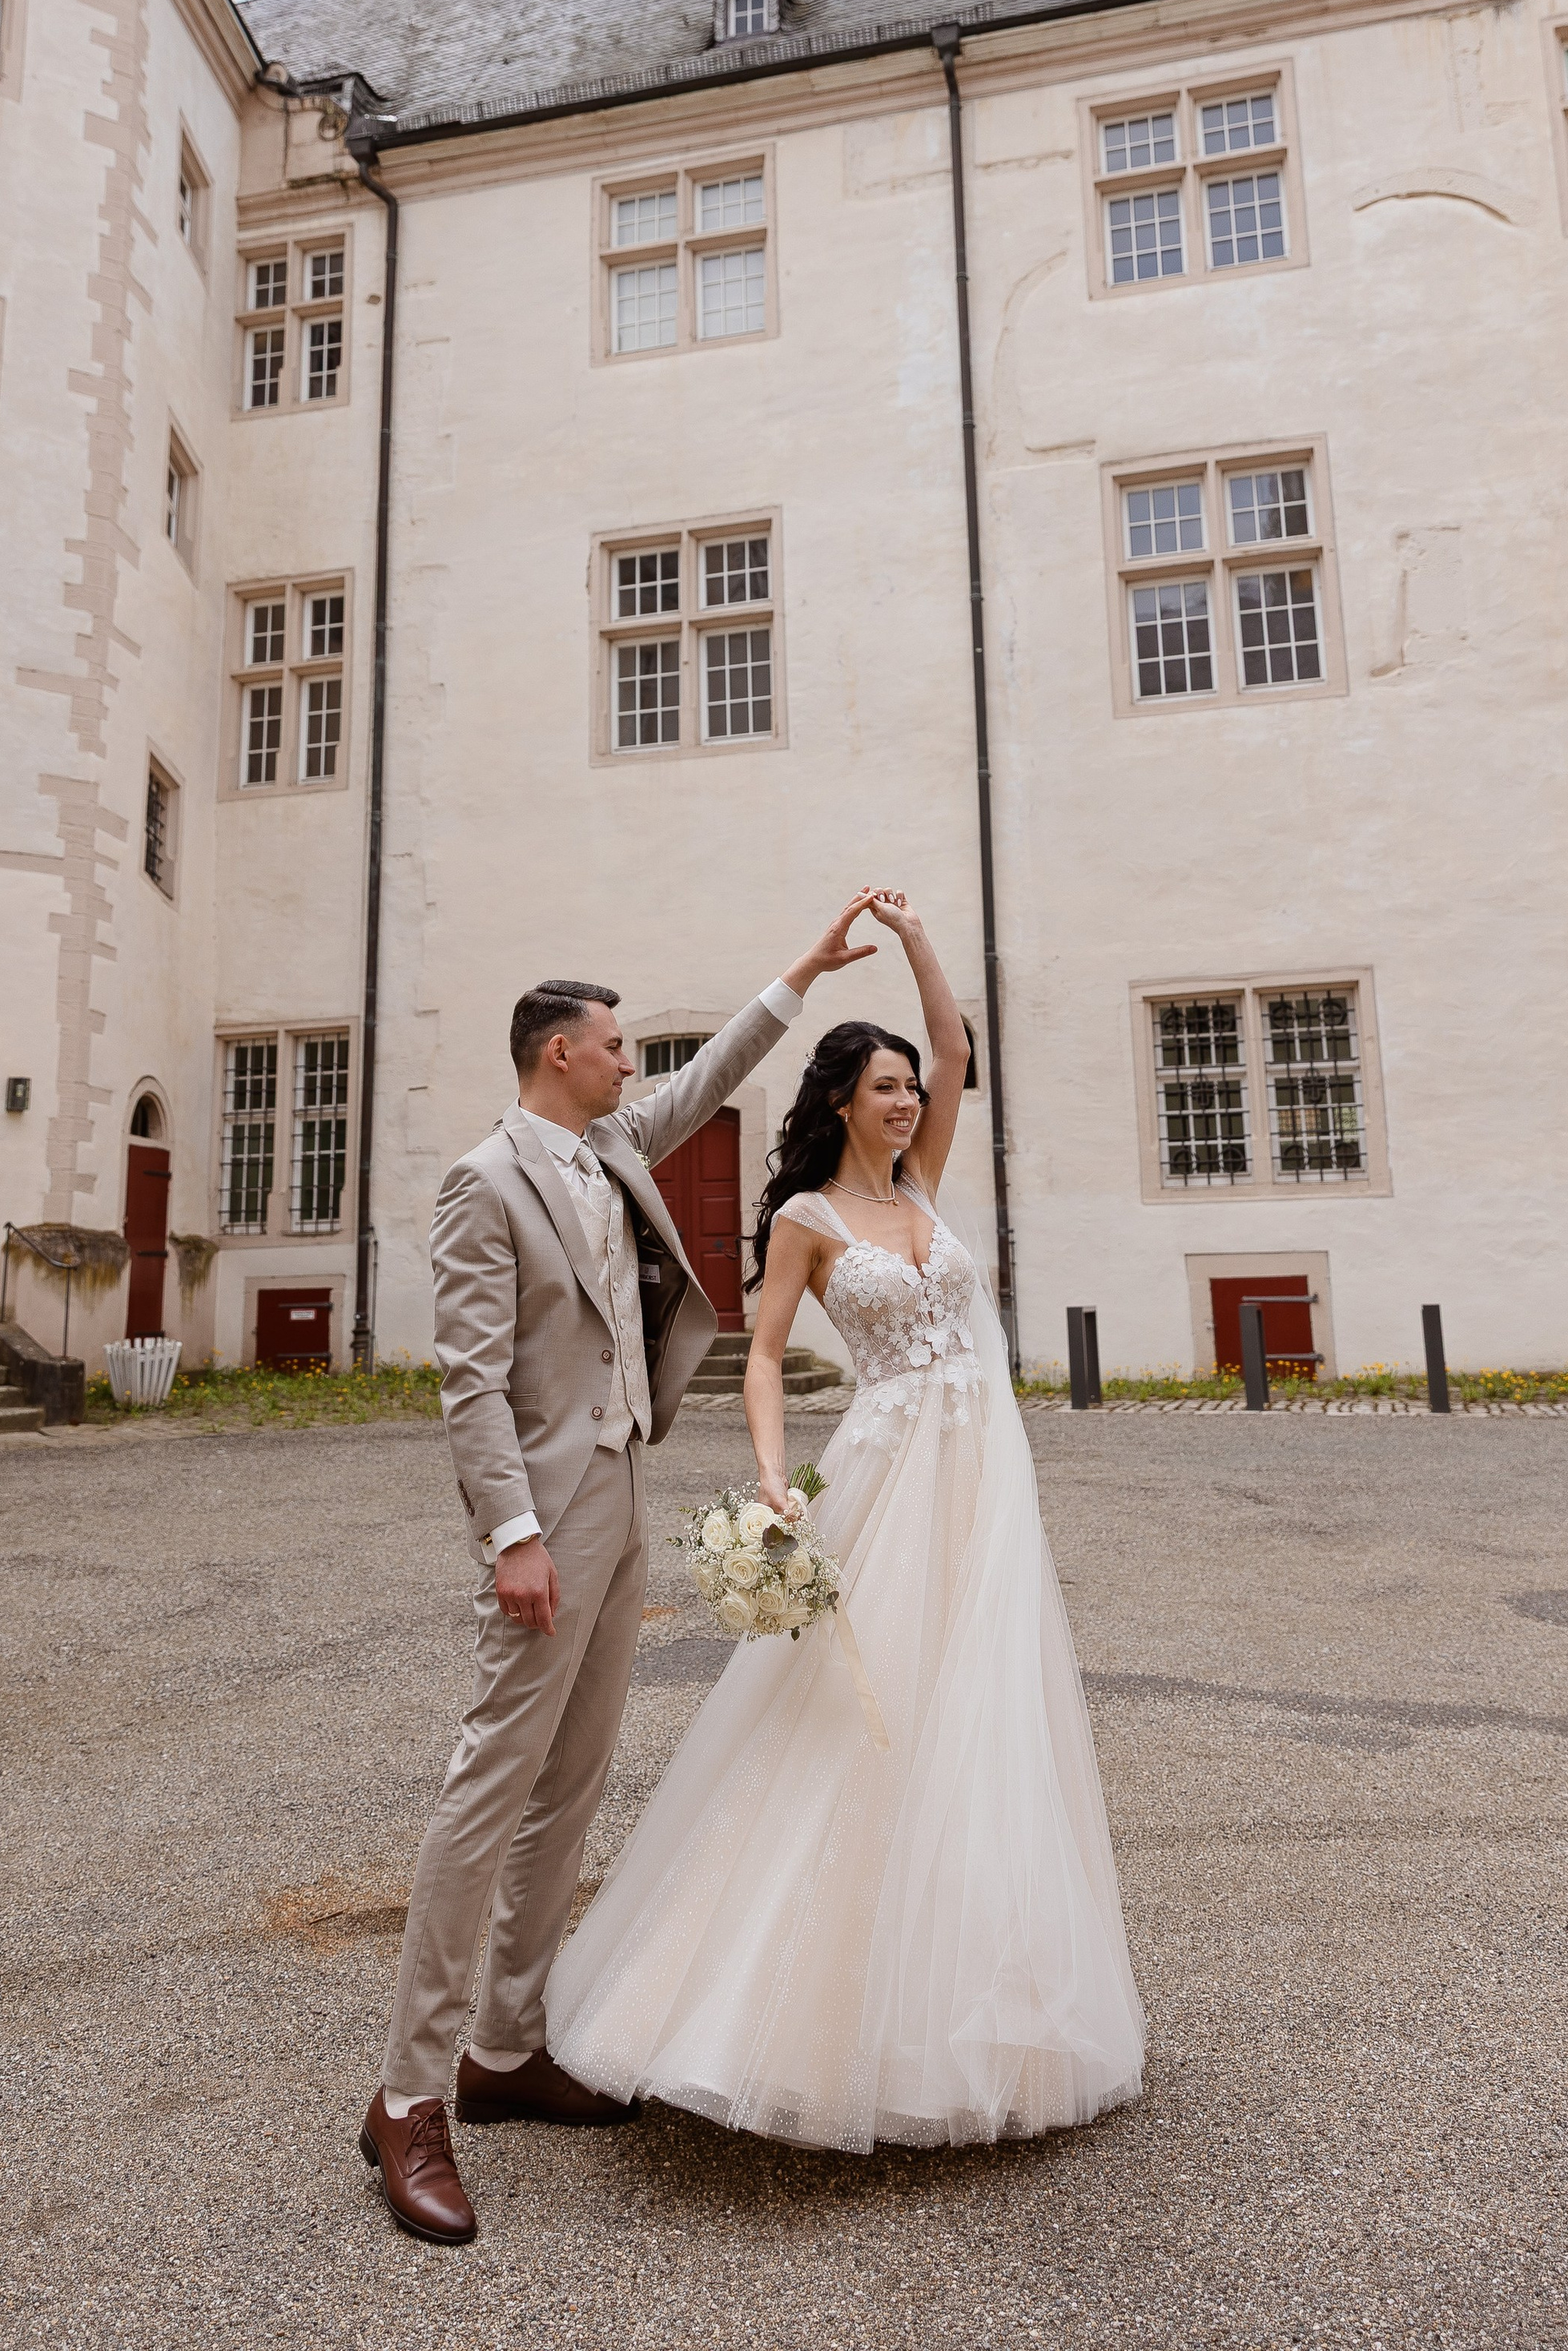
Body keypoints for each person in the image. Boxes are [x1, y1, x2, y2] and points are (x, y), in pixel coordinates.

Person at [543, 890, 1146, 2152]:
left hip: (981, 1476)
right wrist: (771, 1476)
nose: (910, 1100)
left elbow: (960, 1046)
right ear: (838, 1103)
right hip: (883, 1467)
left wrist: (921, 937)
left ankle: (988, 2002)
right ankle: (779, 2010)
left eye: (913, 1088)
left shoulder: (926, 1183)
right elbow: (761, 1359)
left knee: (980, 1711)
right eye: (885, 1087)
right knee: (853, 1717)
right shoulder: (810, 1221)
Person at [360, 895, 884, 2243]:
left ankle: (508, 2049)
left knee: (574, 1781)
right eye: (611, 1047)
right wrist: (513, 1536)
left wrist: (802, 974)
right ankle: (408, 2098)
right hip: (548, 1510)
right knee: (491, 1786)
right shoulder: (489, 1179)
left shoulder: (610, 1147)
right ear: (556, 1056)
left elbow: (711, 1078)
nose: (629, 1064)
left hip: (625, 1485)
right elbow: (468, 1379)